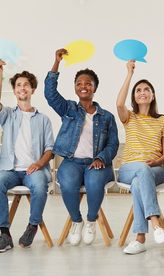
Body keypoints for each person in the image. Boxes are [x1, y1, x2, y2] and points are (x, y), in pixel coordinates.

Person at [44, 49, 119, 246]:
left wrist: (101, 158)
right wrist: (56, 63)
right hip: (71, 162)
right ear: (75, 88)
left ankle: (91, 221)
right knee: (68, 184)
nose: (83, 86)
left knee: (94, 184)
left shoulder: (107, 116)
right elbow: (50, 94)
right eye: (79, 83)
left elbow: (113, 144)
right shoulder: (68, 109)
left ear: (95, 88)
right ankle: (77, 221)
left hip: (97, 164)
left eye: (88, 83)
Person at [0, 59, 54, 252]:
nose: (22, 88)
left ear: (32, 89)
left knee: (40, 185)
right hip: (10, 170)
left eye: (26, 84)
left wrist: (39, 164)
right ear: (15, 91)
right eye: (18, 85)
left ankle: (32, 227)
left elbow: (50, 149)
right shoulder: (8, 114)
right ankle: (4, 234)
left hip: (33, 170)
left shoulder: (43, 119)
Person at [116, 60, 164, 255]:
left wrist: (156, 162)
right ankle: (155, 223)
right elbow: (119, 103)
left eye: (146, 89)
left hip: (154, 168)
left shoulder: (162, 120)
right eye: (138, 90)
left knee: (140, 181)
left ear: (152, 95)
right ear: (135, 96)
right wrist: (129, 74)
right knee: (140, 170)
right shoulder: (129, 117)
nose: (142, 92)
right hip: (128, 168)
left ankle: (140, 238)